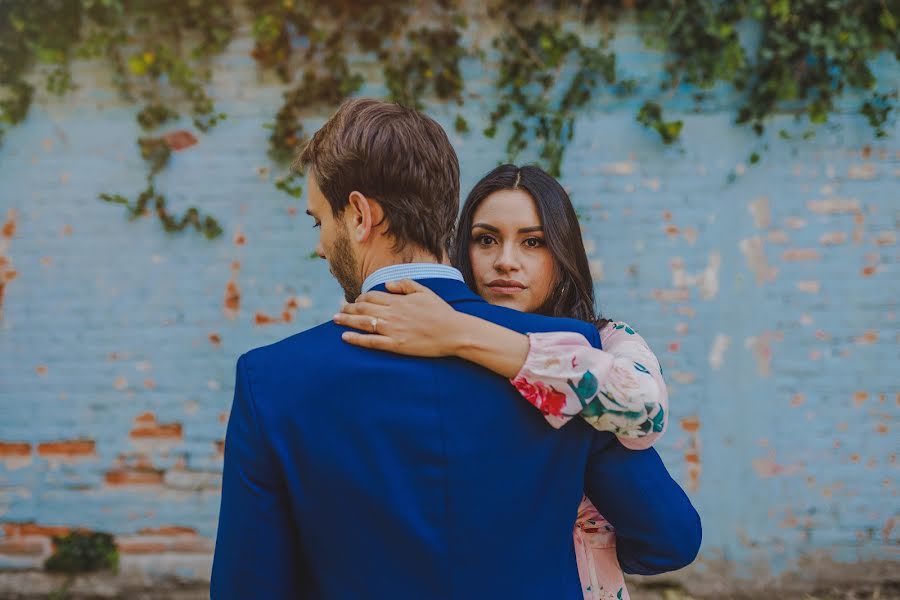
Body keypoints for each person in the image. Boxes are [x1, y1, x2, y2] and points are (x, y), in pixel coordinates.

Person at [211, 98, 701, 599]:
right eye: (489, 240)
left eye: (320, 221)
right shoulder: (571, 357)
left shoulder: (271, 380)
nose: (320, 244)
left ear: (359, 215)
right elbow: (668, 537)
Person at [334, 164, 670, 599]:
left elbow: (644, 410)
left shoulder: (607, 340)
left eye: (533, 242)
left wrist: (461, 334)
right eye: (486, 239)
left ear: (562, 252)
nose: (505, 261)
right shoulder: (421, 338)